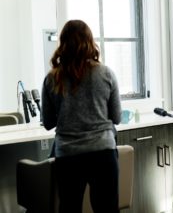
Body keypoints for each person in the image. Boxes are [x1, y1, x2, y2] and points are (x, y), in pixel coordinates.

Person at [41, 20, 122, 213]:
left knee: (70, 209)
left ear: (63, 43)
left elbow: (48, 123)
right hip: (103, 153)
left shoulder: (53, 77)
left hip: (68, 156)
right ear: (89, 41)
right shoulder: (106, 73)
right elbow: (117, 117)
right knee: (107, 209)